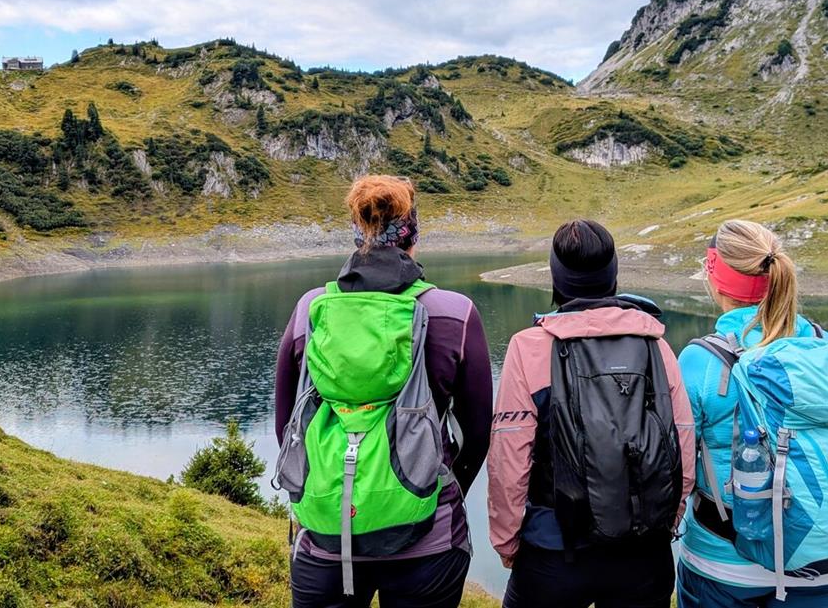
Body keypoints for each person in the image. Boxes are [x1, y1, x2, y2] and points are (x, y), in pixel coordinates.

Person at [274, 175, 493, 608]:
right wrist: (441, 487)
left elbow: (287, 424)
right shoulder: (454, 313)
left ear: (358, 234)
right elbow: (477, 432)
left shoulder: (310, 310)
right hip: (427, 541)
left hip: (326, 538)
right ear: (413, 234)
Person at [489, 219, 695, 608]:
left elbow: (509, 457)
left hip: (554, 550)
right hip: (643, 551)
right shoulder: (656, 345)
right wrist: (665, 521)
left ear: (556, 276)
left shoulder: (528, 347)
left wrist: (507, 539)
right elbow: (681, 445)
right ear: (613, 273)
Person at [677, 219, 828, 608]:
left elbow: (677, 469)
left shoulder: (699, 361)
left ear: (716, 278)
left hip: (724, 565)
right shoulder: (827, 348)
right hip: (824, 556)